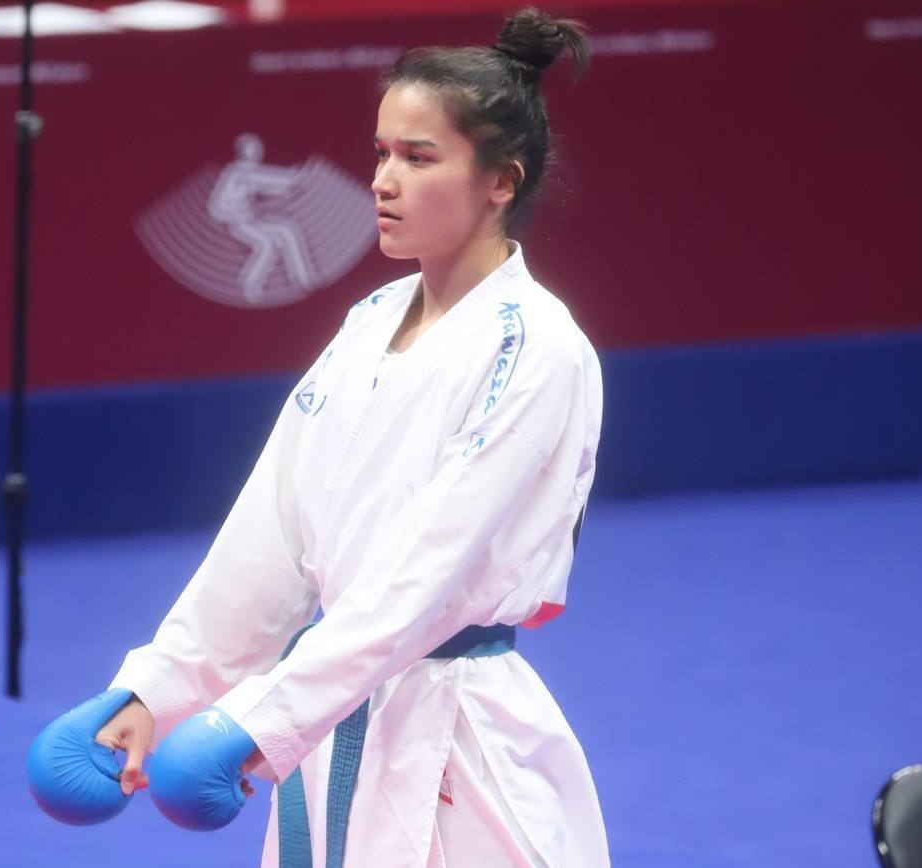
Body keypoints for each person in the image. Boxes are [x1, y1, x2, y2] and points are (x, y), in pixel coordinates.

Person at [95, 8, 609, 866]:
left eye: (418, 158)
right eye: (381, 153)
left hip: (458, 733)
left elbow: (423, 576)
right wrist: (158, 686)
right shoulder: (370, 320)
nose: (382, 181)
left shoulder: (539, 348)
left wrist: (262, 716)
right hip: (329, 713)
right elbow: (270, 535)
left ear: (500, 182)